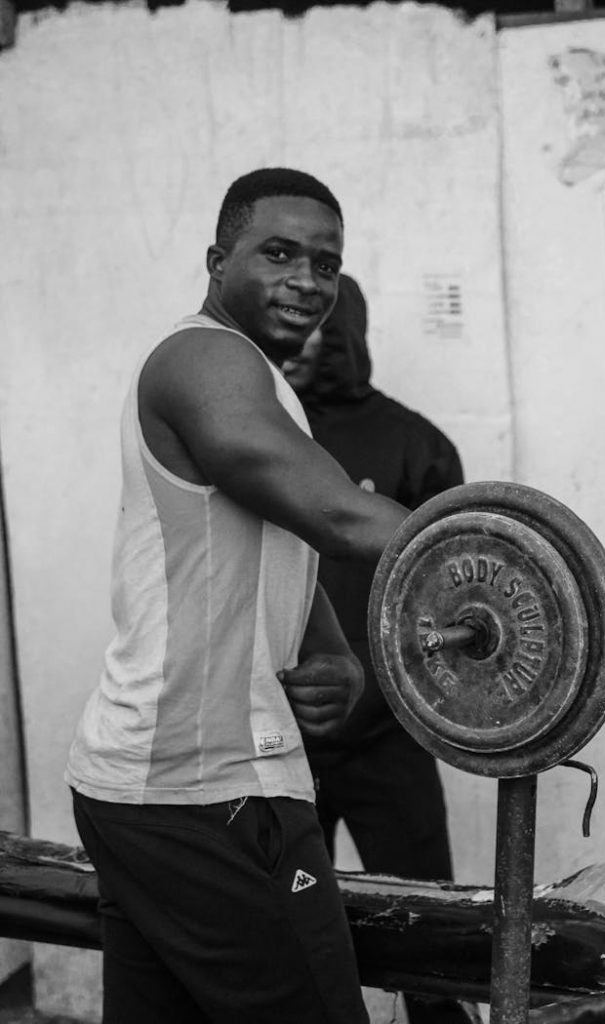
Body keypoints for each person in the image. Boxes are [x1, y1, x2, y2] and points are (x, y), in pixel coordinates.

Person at [64, 168, 411, 1024]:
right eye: (279, 253)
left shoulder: (255, 380)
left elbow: (266, 533)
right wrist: (527, 545)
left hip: (150, 786)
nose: (306, 281)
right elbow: (331, 512)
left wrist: (328, 649)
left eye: (325, 264)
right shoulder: (203, 358)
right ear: (218, 261)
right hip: (206, 789)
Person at [283, 274, 468, 1024]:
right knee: (291, 937)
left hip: (390, 734)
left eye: (315, 322)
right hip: (279, 734)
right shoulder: (252, 433)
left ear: (347, 330)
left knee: (430, 939)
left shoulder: (415, 444)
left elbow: (455, 594)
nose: (294, 336)